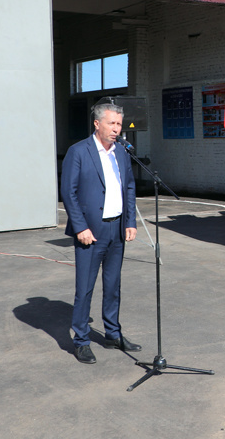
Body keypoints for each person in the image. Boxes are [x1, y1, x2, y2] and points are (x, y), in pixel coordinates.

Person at [61, 101, 141, 364]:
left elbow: (129, 187)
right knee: (84, 288)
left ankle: (112, 334)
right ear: (97, 124)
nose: (116, 129)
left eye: (119, 123)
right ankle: (81, 340)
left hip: (117, 229)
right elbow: (68, 193)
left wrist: (130, 221)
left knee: (113, 285)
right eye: (111, 123)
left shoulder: (121, 153)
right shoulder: (79, 151)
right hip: (91, 231)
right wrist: (80, 226)